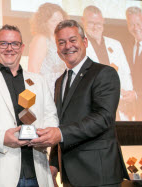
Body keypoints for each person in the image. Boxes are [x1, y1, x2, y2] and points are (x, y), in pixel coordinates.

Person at [30, 20, 129, 187]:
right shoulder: (59, 81)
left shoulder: (104, 73)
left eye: (73, 40)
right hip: (70, 176)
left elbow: (103, 118)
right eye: (61, 42)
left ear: (85, 42)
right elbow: (59, 124)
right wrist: (54, 164)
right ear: (57, 48)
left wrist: (59, 133)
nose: (68, 46)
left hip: (99, 174)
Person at [0, 25, 59, 187]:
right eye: (3, 44)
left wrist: (43, 135)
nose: (9, 48)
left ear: (22, 48)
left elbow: (51, 116)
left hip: (37, 172)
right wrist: (2, 137)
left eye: (15, 44)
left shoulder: (39, 81)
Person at [81, 5, 136, 121]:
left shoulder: (115, 44)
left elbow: (126, 73)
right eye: (91, 23)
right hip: (93, 108)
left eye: (98, 23)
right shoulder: (78, 46)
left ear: (103, 22)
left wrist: (127, 94)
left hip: (119, 106)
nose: (95, 27)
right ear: (83, 21)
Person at [28, 3, 67, 94]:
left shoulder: (63, 41)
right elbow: (32, 71)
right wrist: (30, 98)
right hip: (45, 92)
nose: (59, 24)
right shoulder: (41, 39)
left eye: (61, 20)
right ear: (44, 22)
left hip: (61, 92)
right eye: (54, 20)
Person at [126, 6, 142, 121]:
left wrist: (137, 95)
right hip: (134, 111)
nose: (135, 28)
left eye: (138, 23)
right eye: (131, 24)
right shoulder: (129, 47)